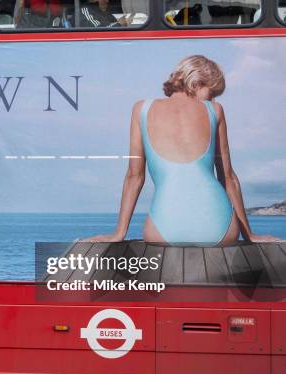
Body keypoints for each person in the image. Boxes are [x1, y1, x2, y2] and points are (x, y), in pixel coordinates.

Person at [83, 55, 280, 246]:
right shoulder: (215, 110)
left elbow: (135, 177)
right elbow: (227, 178)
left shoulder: (141, 109)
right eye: (211, 94)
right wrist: (249, 235)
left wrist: (119, 232)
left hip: (164, 228)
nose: (212, 100)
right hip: (219, 229)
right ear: (196, 84)